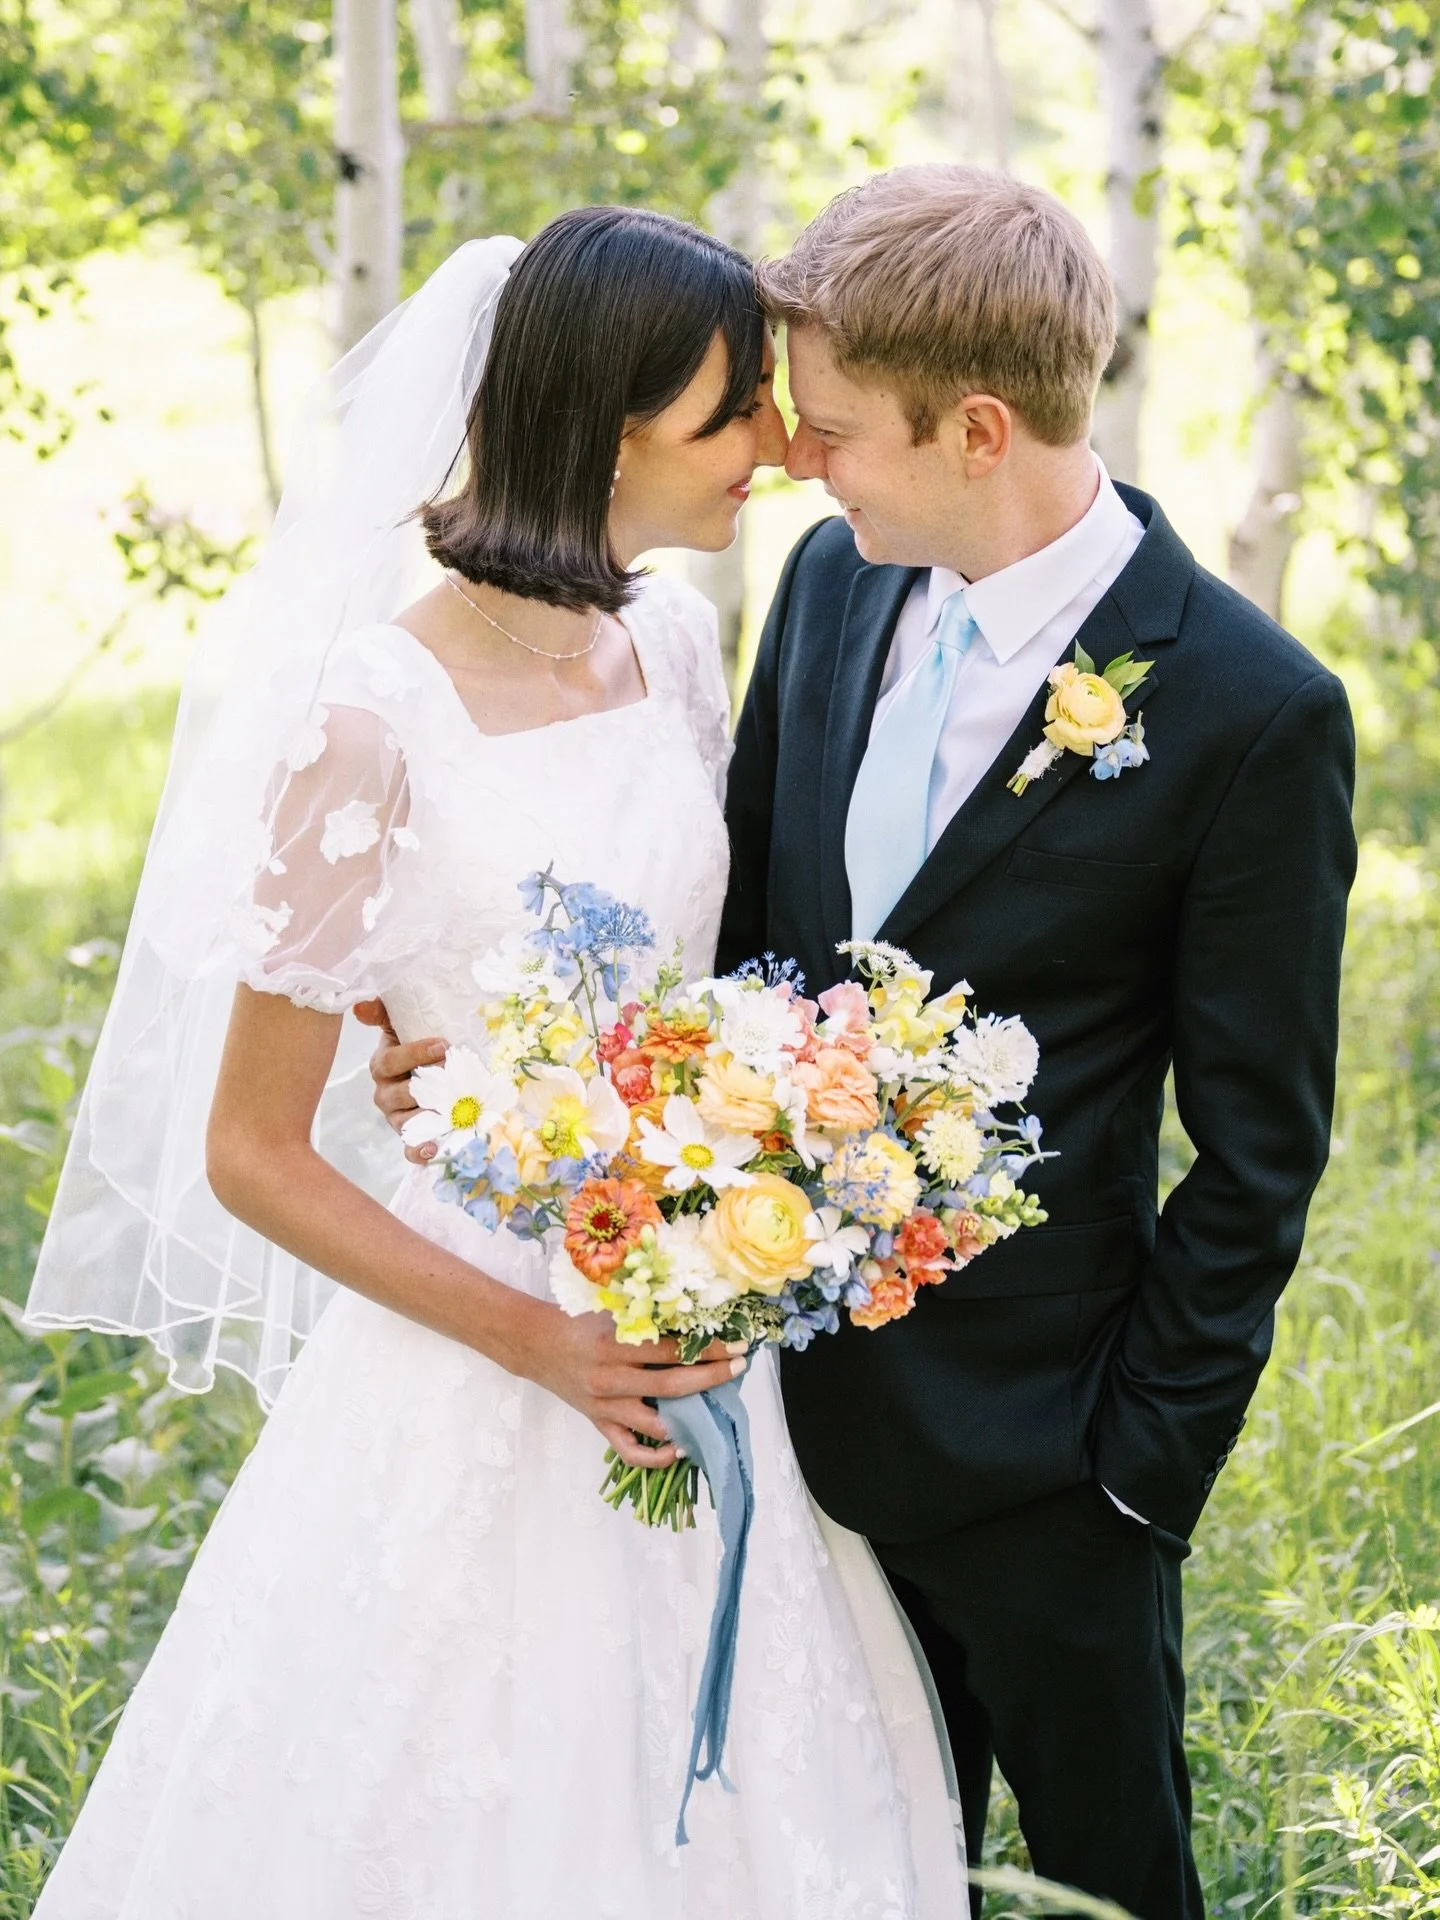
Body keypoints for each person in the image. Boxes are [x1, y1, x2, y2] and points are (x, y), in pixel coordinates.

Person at [373, 167, 1357, 1919]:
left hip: (1052, 1466)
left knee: (1104, 1887)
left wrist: (1137, 1476)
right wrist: (517, 1087)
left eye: (830, 429)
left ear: (977, 428)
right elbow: (740, 956)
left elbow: (1261, 1151)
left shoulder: (1249, 710)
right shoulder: (834, 588)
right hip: (780, 1434)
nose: (790, 461)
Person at [23, 207, 966, 1918]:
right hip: (480, 1330)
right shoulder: (371, 716)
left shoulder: (670, 645)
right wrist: (546, 1339)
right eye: (728, 415)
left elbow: (696, 972)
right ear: (603, 435)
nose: (777, 444)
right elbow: (252, 1150)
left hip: (696, 1306)